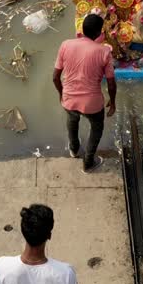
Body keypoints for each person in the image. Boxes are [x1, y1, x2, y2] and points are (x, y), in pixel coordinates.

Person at [53, 12, 116, 172]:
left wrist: (62, 93)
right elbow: (111, 82)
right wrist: (112, 101)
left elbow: (55, 77)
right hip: (92, 103)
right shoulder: (104, 52)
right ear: (98, 33)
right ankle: (88, 161)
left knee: (72, 121)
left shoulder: (65, 44)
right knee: (97, 127)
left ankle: (74, 149)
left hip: (69, 99)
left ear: (82, 29)